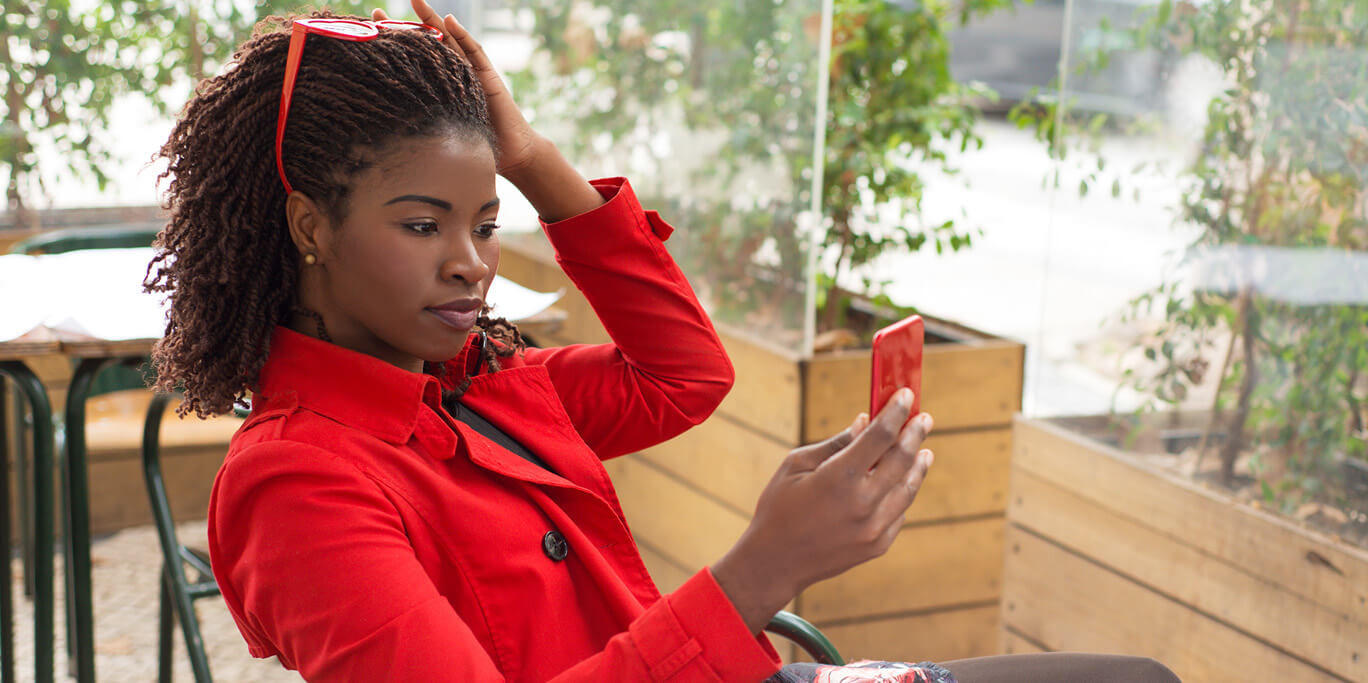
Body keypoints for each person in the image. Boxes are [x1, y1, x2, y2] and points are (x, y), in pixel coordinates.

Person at [143, 2, 1181, 681]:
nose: (472, 262)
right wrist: (762, 568)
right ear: (309, 227)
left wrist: (532, 156)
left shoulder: (483, 385)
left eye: (485, 222)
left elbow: (683, 371)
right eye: (423, 225)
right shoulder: (297, 486)